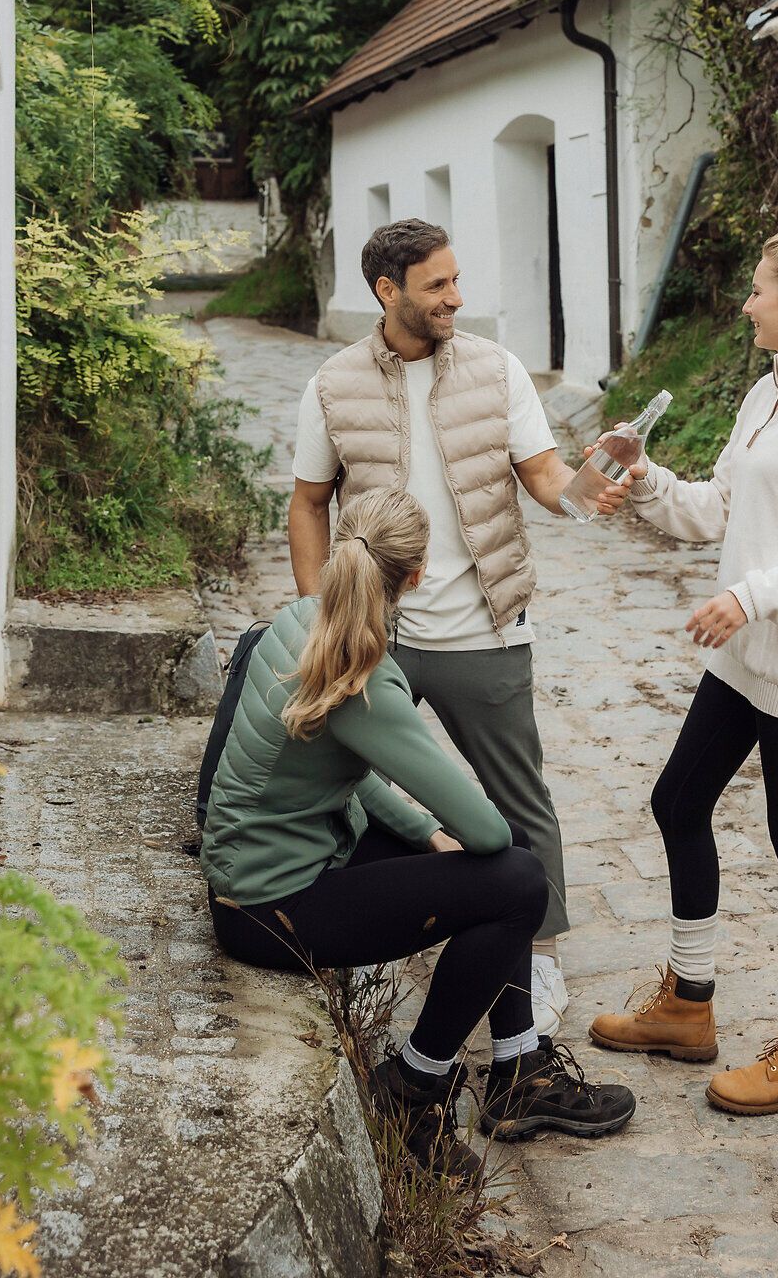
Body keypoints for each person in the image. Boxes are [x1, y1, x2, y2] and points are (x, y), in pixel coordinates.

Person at [202, 486, 635, 1181]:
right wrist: (451, 831)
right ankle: (413, 1085)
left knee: (502, 864)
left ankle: (518, 1066)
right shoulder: (363, 678)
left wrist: (429, 834)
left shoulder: (303, 620)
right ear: (415, 576)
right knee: (518, 879)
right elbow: (486, 831)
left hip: (266, 874)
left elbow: (354, 777)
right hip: (272, 910)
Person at [289, 220, 628, 1038]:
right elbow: (308, 502)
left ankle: (539, 958)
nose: (455, 297)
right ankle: (365, 927)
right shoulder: (332, 385)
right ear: (388, 291)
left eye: (455, 280)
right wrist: (316, 613)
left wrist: (588, 488)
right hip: (379, 636)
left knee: (519, 798)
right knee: (340, 783)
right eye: (437, 284)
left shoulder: (496, 370)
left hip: (486, 628)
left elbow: (544, 477)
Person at [589, 223, 778, 1116]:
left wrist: (752, 597)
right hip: (742, 658)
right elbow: (721, 507)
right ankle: (688, 1006)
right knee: (678, 803)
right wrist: (646, 478)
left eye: (759, 290)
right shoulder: (767, 394)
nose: (747, 303)